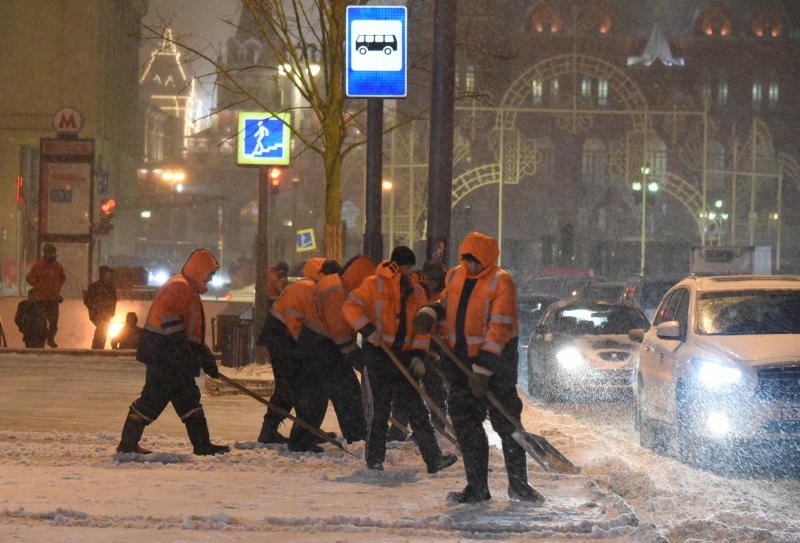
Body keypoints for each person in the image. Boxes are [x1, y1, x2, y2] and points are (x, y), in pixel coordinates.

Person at [414, 232, 544, 504]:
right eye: (467, 260)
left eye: (476, 261)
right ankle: (477, 488)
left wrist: (484, 371)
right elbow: (447, 306)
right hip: (459, 364)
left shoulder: (501, 282)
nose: (471, 266)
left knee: (508, 425)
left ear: (486, 259)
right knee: (466, 426)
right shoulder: (455, 277)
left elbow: (500, 328)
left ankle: (519, 486)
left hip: (497, 365)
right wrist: (431, 312)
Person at [342, 246, 457, 474]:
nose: (409, 272)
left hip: (404, 357)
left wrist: (417, 355)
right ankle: (374, 460)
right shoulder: (374, 284)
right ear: (396, 265)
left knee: (417, 410)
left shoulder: (416, 291)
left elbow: (420, 329)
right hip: (379, 355)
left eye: (411, 268)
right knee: (380, 412)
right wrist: (367, 330)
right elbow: (350, 306)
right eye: (406, 267)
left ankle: (433, 460)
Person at [117, 249, 229, 456]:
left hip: (174, 357)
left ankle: (202, 445)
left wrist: (204, 356)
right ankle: (127, 444)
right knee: (152, 400)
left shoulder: (189, 289)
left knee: (188, 399)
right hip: (164, 357)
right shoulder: (179, 287)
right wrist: (187, 353)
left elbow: (190, 330)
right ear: (200, 270)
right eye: (209, 274)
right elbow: (172, 325)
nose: (211, 278)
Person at [288, 256, 375, 452]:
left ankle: (301, 440)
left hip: (317, 345)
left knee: (316, 396)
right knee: (346, 392)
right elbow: (340, 331)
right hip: (322, 346)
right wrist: (357, 357)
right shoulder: (337, 291)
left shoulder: (338, 283)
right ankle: (357, 438)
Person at [255, 258, 326, 445]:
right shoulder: (308, 288)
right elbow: (296, 324)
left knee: (292, 387)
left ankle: (302, 429)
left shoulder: (310, 287)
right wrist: (307, 351)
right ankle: (283, 431)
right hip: (282, 340)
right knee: (291, 387)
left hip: (282, 339)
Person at [26, 244, 66, 348]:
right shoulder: (39, 266)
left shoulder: (57, 266)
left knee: (53, 322)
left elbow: (62, 278)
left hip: (52, 298)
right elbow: (30, 278)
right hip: (42, 299)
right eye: (50, 253)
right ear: (46, 254)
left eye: (54, 253)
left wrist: (55, 288)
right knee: (42, 322)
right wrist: (40, 286)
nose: (52, 255)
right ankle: (43, 340)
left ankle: (50, 338)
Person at [84, 265, 117, 349]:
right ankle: (97, 347)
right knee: (102, 329)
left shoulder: (111, 287)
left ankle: (97, 347)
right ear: (102, 275)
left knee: (102, 330)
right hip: (98, 313)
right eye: (106, 274)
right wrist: (95, 308)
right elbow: (87, 300)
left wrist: (111, 312)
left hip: (106, 314)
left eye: (109, 275)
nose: (108, 277)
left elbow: (113, 301)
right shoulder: (95, 287)